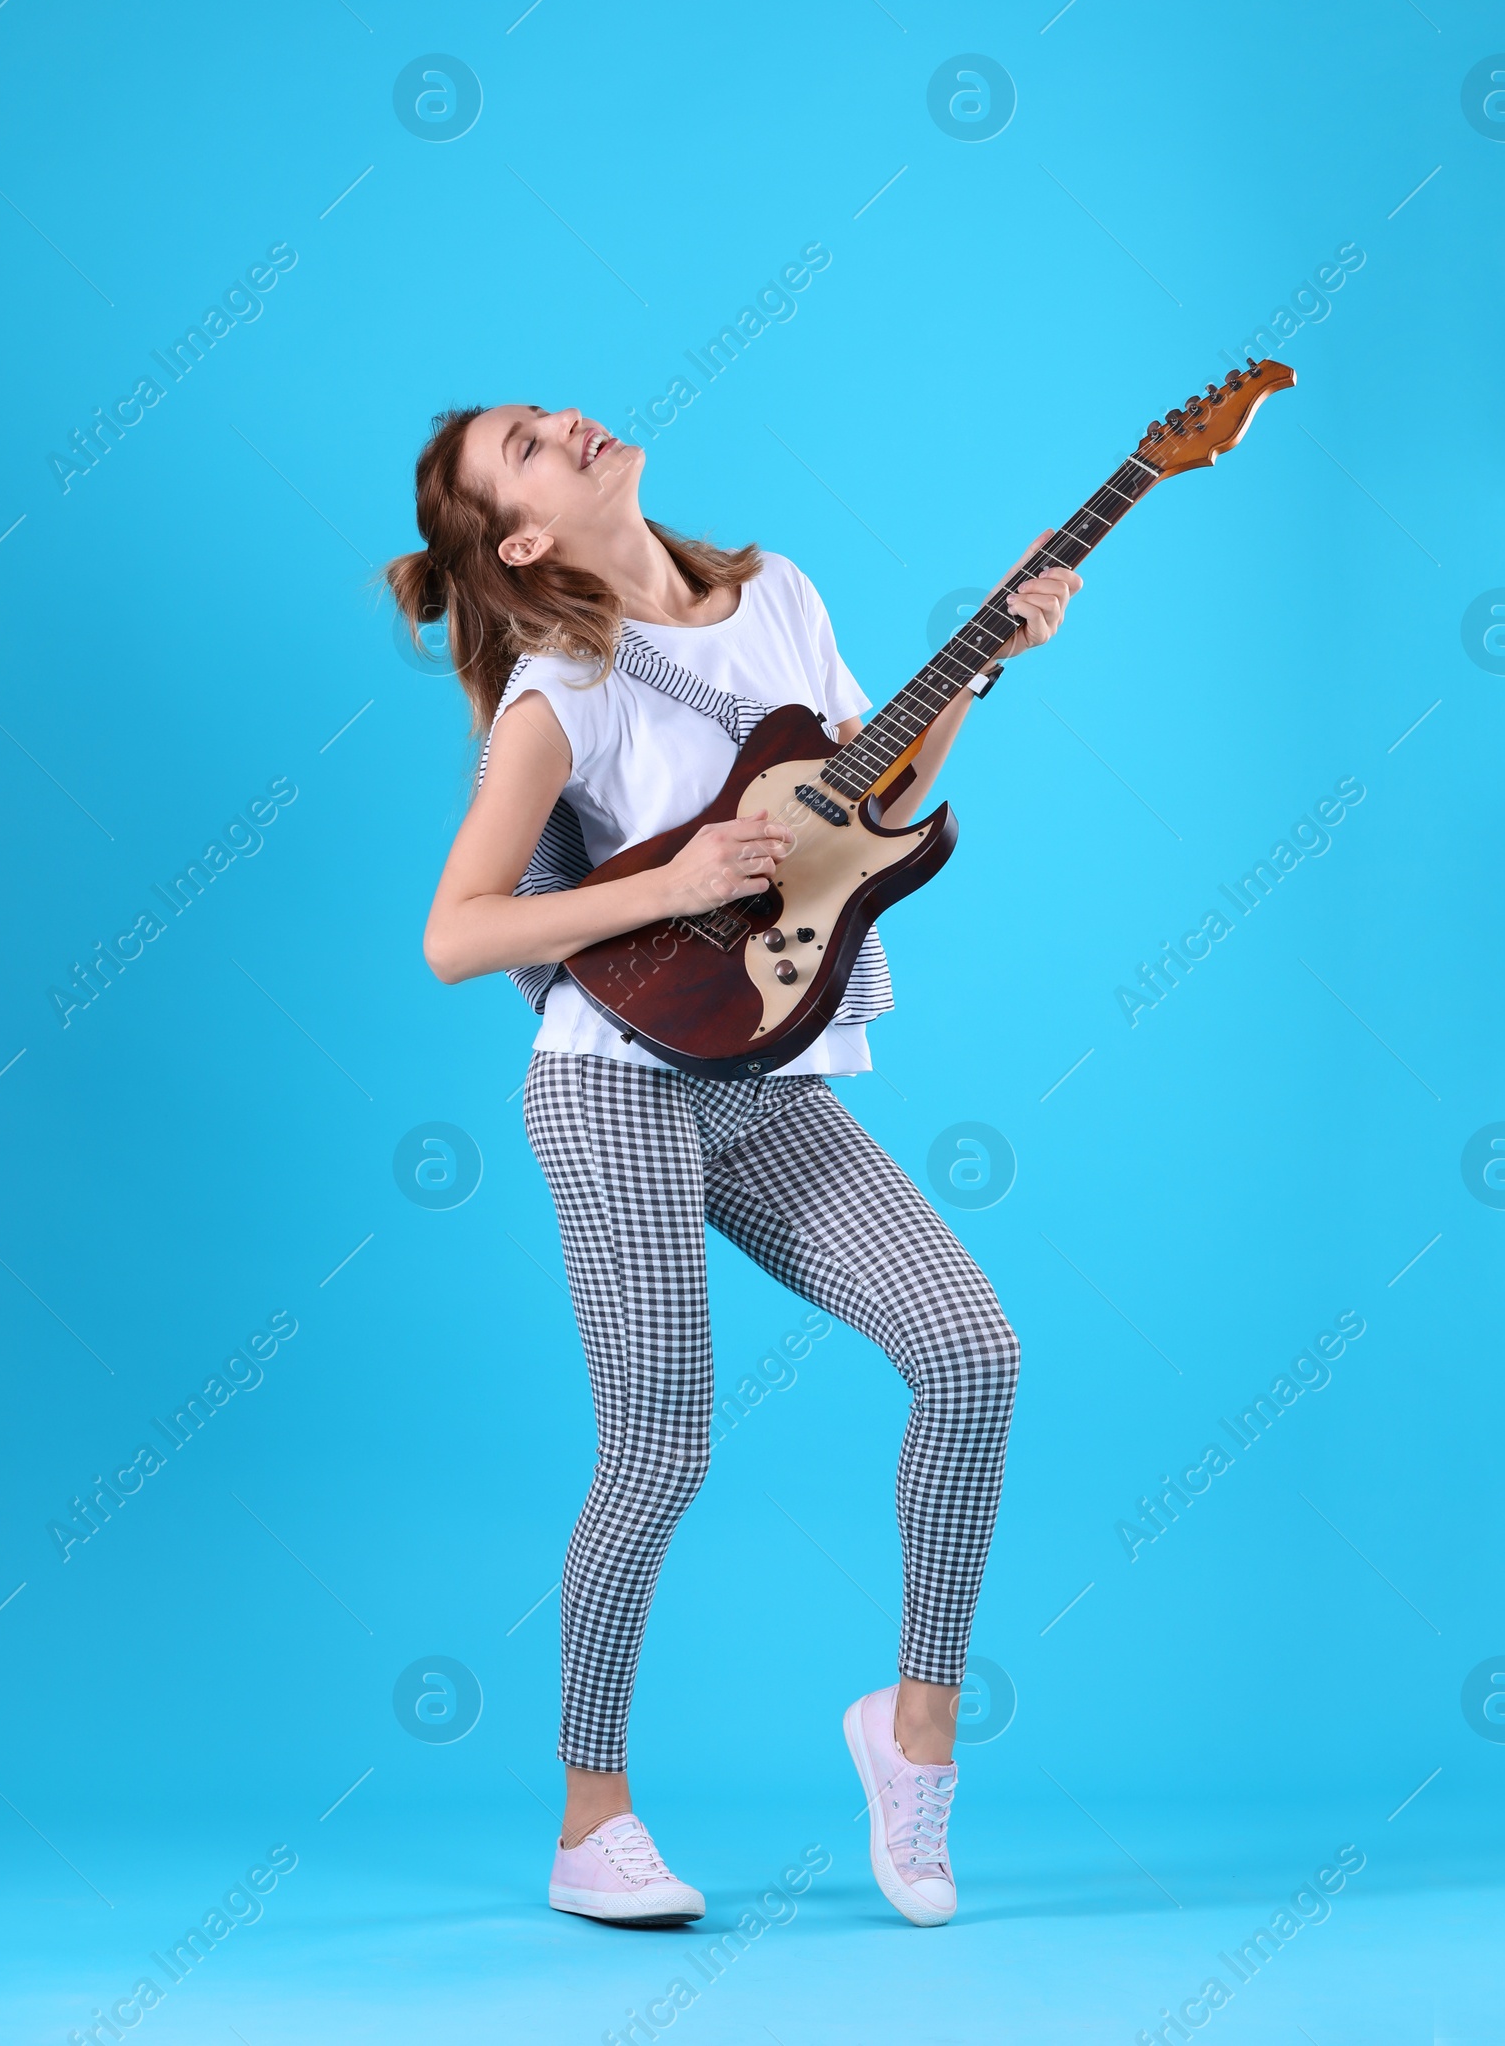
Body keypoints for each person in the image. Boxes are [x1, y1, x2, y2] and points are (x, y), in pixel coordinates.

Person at [389, 403, 1079, 1929]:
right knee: (662, 1446)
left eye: (555, 411)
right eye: (526, 441)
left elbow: (865, 806)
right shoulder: (555, 694)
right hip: (617, 1087)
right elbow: (458, 931)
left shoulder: (780, 595)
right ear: (520, 538)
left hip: (768, 1076)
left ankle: (915, 1733)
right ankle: (592, 1818)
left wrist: (990, 653)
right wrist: (680, 875)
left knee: (974, 1354)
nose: (568, 421)